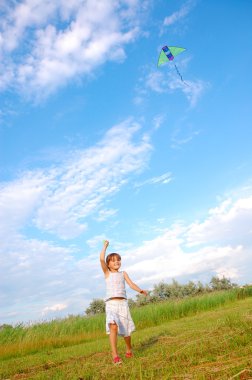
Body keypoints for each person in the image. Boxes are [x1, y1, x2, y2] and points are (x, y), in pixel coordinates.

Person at [100, 240, 148, 365]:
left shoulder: (123, 273)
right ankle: (115, 355)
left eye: (118, 260)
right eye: (113, 260)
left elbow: (131, 284)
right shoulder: (107, 273)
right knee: (113, 326)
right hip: (111, 304)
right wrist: (104, 247)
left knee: (126, 331)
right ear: (108, 264)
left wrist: (140, 290)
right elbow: (101, 260)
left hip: (123, 305)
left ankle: (129, 350)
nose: (117, 262)